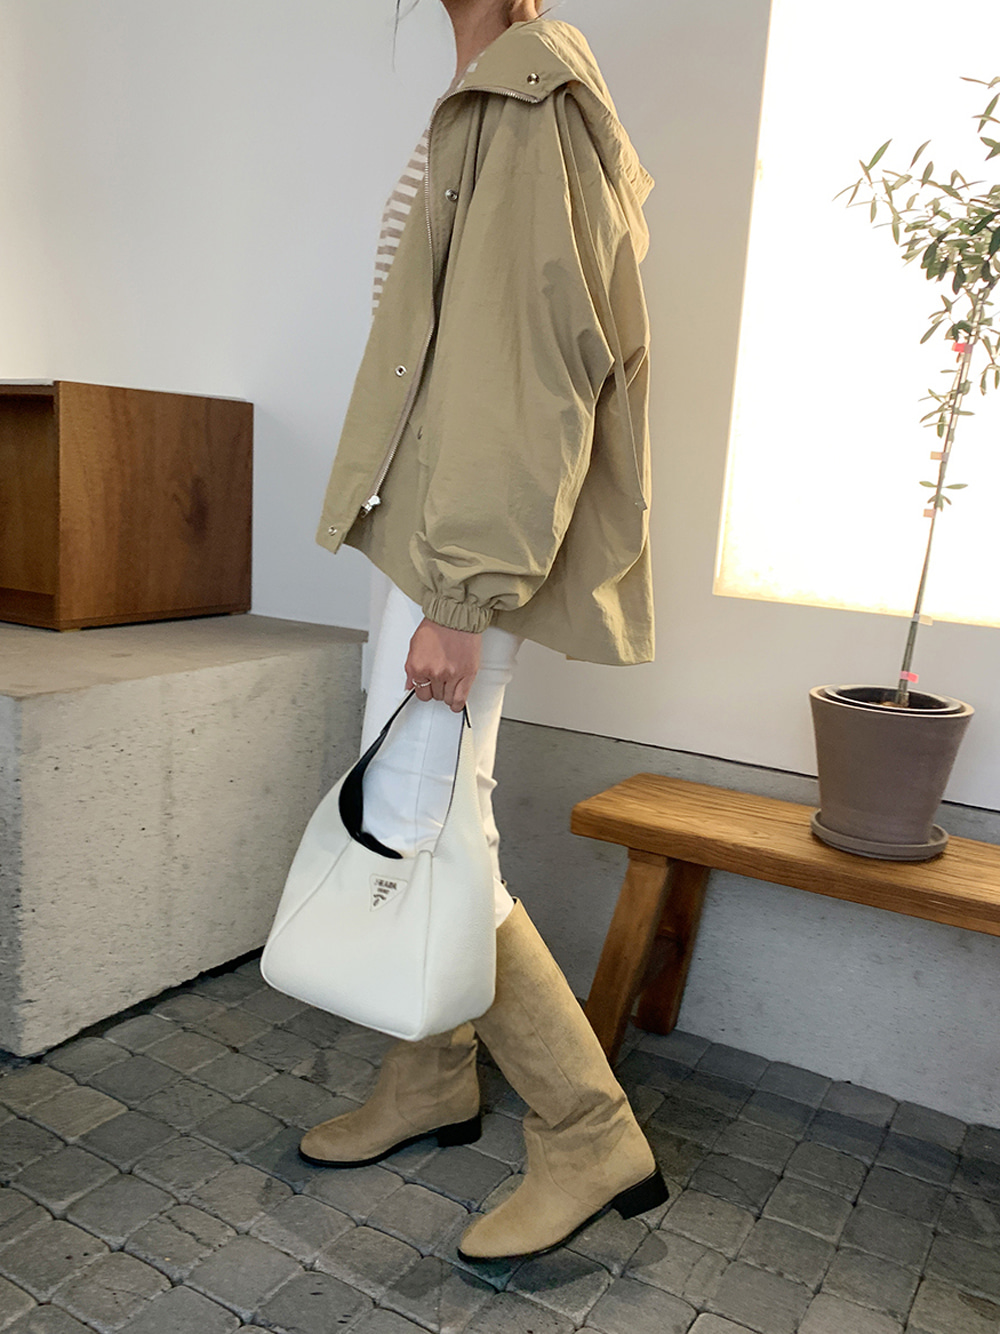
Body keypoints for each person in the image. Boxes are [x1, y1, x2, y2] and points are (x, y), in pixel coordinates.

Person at [301, 0, 661, 1262]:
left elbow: (532, 371)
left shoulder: (523, 96)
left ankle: (585, 1127)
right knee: (432, 812)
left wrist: (460, 597)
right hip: (425, 527)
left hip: (452, 547)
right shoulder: (488, 88)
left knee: (431, 824)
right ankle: (431, 1073)